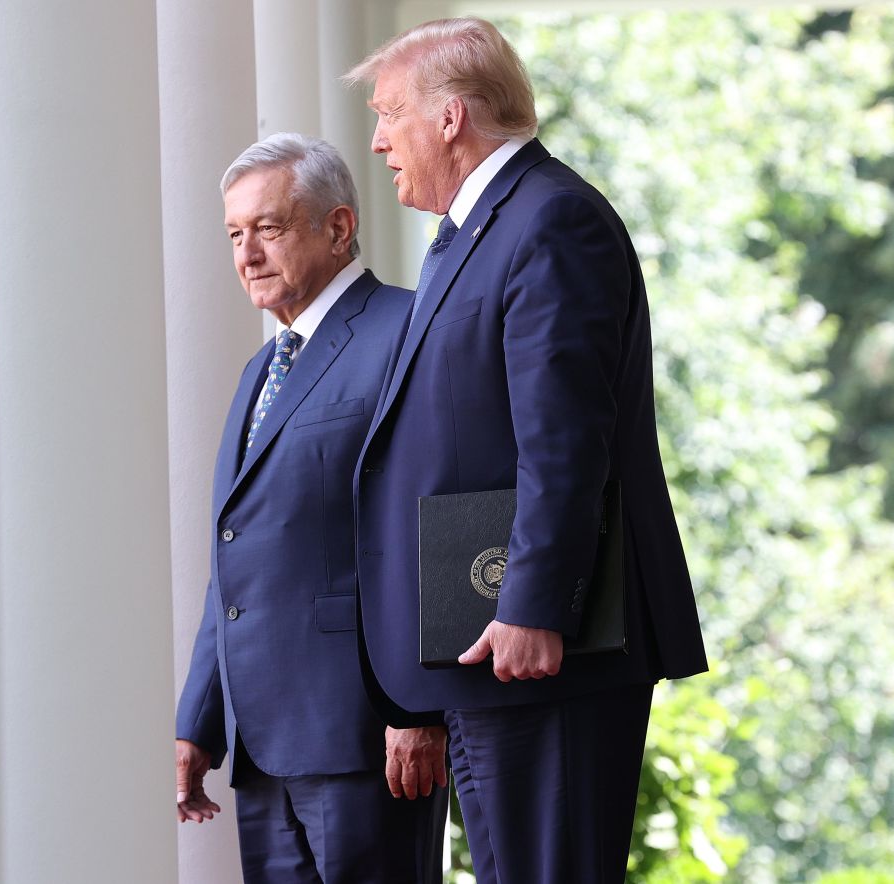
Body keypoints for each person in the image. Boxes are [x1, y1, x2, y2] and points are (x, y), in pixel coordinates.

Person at [344, 18, 709, 883]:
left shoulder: (551, 221)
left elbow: (564, 436)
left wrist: (535, 602)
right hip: (490, 650)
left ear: (450, 118)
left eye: (391, 111)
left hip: (548, 646)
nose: (377, 137)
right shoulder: (472, 236)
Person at [174, 133, 446, 884]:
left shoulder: (408, 333)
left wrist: (421, 707)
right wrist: (199, 719)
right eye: (235, 234)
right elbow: (236, 552)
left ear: (338, 226)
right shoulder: (262, 369)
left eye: (269, 226)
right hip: (259, 740)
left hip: (366, 735)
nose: (248, 253)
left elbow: (432, 526)